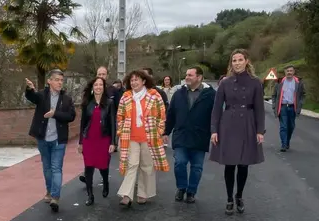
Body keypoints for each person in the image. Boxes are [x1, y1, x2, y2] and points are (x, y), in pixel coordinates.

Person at [210, 49, 265, 215]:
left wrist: (260, 130)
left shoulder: (255, 83)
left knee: (243, 164)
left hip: (248, 123)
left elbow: (260, 109)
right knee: (230, 163)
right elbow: (216, 108)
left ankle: (239, 195)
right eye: (234, 60)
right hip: (228, 124)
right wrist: (214, 130)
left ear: (246, 61)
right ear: (231, 63)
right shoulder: (225, 83)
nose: (237, 63)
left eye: (240, 60)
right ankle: (228, 198)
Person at [25, 70, 76, 213]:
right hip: (43, 139)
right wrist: (29, 88)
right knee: (47, 168)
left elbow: (71, 116)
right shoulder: (42, 95)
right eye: (57, 80)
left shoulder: (66, 99)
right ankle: (49, 190)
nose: (60, 82)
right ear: (50, 81)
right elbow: (32, 97)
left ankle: (55, 197)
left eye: (61, 80)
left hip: (59, 140)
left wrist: (55, 114)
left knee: (56, 168)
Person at [115, 70, 168, 208]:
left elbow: (162, 115)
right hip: (130, 137)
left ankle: (143, 194)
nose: (133, 83)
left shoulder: (154, 96)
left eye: (136, 80)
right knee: (131, 164)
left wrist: (160, 130)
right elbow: (119, 116)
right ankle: (126, 195)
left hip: (149, 137)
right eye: (131, 80)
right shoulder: (126, 96)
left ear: (144, 81)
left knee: (147, 166)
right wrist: (121, 131)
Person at [164, 66, 215, 203]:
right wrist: (166, 131)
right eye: (186, 75)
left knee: (197, 167)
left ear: (199, 77)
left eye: (190, 75)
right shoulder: (179, 94)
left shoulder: (210, 95)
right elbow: (171, 114)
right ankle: (181, 188)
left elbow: (216, 116)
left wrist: (215, 132)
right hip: (181, 135)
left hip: (200, 136)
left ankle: (191, 191)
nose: (187, 77)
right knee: (179, 163)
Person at [76, 76, 116, 205]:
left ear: (104, 88)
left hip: (104, 139)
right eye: (96, 85)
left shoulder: (109, 103)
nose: (98, 87)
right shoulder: (87, 103)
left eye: (100, 85)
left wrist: (113, 142)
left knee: (103, 166)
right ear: (92, 88)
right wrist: (81, 142)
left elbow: (112, 124)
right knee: (88, 167)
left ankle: (105, 183)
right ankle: (90, 195)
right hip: (89, 140)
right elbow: (83, 124)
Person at [274, 65, 306, 152]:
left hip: (293, 107)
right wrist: (274, 106)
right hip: (283, 107)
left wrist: (300, 104)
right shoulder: (280, 82)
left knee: (291, 126)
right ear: (285, 72)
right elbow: (274, 95)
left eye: (291, 71)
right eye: (287, 71)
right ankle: (283, 145)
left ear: (293, 72)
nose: (289, 72)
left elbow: (303, 94)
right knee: (283, 126)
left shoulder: (298, 83)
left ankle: (287, 141)